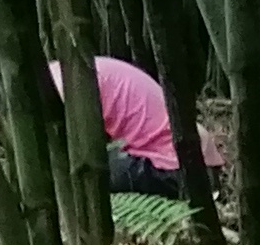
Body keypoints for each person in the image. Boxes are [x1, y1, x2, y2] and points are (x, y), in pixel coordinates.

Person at [47, 55, 188, 195]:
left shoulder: (63, 87)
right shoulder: (66, 72)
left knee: (81, 172)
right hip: (184, 156)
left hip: (167, 167)